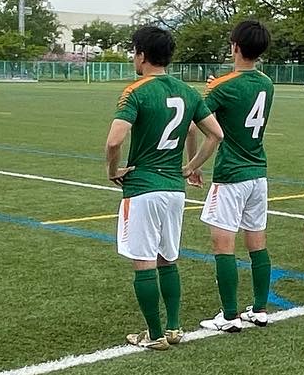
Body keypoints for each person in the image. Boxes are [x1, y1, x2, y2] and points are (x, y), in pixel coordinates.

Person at [105, 25, 220, 349]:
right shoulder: (188, 91)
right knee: (167, 258)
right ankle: (173, 327)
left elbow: (114, 141)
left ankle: (154, 335)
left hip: (143, 186)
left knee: (143, 261)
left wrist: (112, 171)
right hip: (173, 188)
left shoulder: (136, 91)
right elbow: (215, 134)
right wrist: (191, 167)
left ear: (141, 55)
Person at [185, 20, 275, 332]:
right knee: (257, 242)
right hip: (257, 172)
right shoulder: (267, 83)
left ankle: (229, 314)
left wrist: (193, 165)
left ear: (235, 46)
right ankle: (260, 309)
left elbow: (194, 125)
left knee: (223, 244)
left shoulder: (222, 86)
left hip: (231, 173)